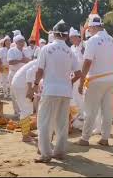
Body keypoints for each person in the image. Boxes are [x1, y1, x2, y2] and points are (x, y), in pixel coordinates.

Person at [34, 19, 81, 163]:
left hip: (50, 89)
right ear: (66, 36)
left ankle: (45, 153)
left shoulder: (46, 49)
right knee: (61, 123)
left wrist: (35, 84)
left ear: (54, 34)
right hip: (65, 91)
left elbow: (40, 70)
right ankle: (59, 151)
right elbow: (78, 73)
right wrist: (69, 83)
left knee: (44, 122)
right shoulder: (70, 51)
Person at [76, 14, 113, 146]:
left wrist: (82, 81)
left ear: (93, 27)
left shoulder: (93, 41)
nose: (89, 30)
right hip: (110, 79)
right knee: (107, 110)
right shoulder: (112, 40)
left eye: (89, 28)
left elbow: (87, 61)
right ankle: (105, 138)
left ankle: (85, 138)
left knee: (90, 110)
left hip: (96, 79)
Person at [11, 60, 39, 142]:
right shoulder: (42, 60)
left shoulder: (42, 60)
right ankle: (25, 136)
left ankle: (27, 131)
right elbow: (30, 73)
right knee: (25, 109)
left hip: (21, 84)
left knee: (28, 108)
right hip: (21, 85)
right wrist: (30, 89)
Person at [7, 34, 31, 115]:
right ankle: (17, 111)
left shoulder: (26, 50)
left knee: (25, 92)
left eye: (23, 41)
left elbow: (29, 60)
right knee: (14, 93)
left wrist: (26, 60)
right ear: (16, 42)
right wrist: (21, 60)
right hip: (14, 74)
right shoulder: (11, 50)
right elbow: (10, 62)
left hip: (24, 75)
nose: (22, 43)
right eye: (20, 42)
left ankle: (24, 110)